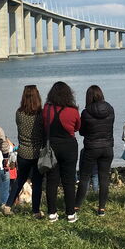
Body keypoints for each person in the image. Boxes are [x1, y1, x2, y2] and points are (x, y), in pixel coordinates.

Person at [42, 81, 81, 223]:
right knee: (69, 181)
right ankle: (70, 213)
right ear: (69, 94)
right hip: (69, 146)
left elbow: (44, 126)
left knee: (52, 181)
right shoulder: (72, 110)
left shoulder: (47, 109)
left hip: (51, 146)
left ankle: (52, 213)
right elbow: (77, 127)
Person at [6, 85, 45, 218]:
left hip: (23, 152)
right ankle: (35, 211)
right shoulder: (41, 114)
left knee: (20, 180)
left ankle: (8, 205)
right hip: (37, 152)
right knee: (37, 182)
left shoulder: (19, 113)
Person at [75, 85, 115, 216]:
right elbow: (110, 127)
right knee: (104, 178)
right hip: (107, 147)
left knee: (84, 177)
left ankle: (76, 206)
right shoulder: (110, 109)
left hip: (91, 148)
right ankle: (101, 208)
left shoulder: (86, 113)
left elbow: (82, 132)